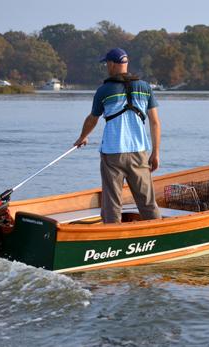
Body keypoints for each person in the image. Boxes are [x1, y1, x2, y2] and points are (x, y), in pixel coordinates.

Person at [74, 48, 161, 224]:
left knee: (112, 202)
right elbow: (155, 123)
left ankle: (112, 238)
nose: (106, 66)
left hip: (112, 153)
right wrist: (156, 153)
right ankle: (158, 234)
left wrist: (82, 137)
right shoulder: (145, 88)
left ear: (113, 64)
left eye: (107, 63)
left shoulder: (104, 90)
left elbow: (93, 119)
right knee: (147, 201)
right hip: (139, 153)